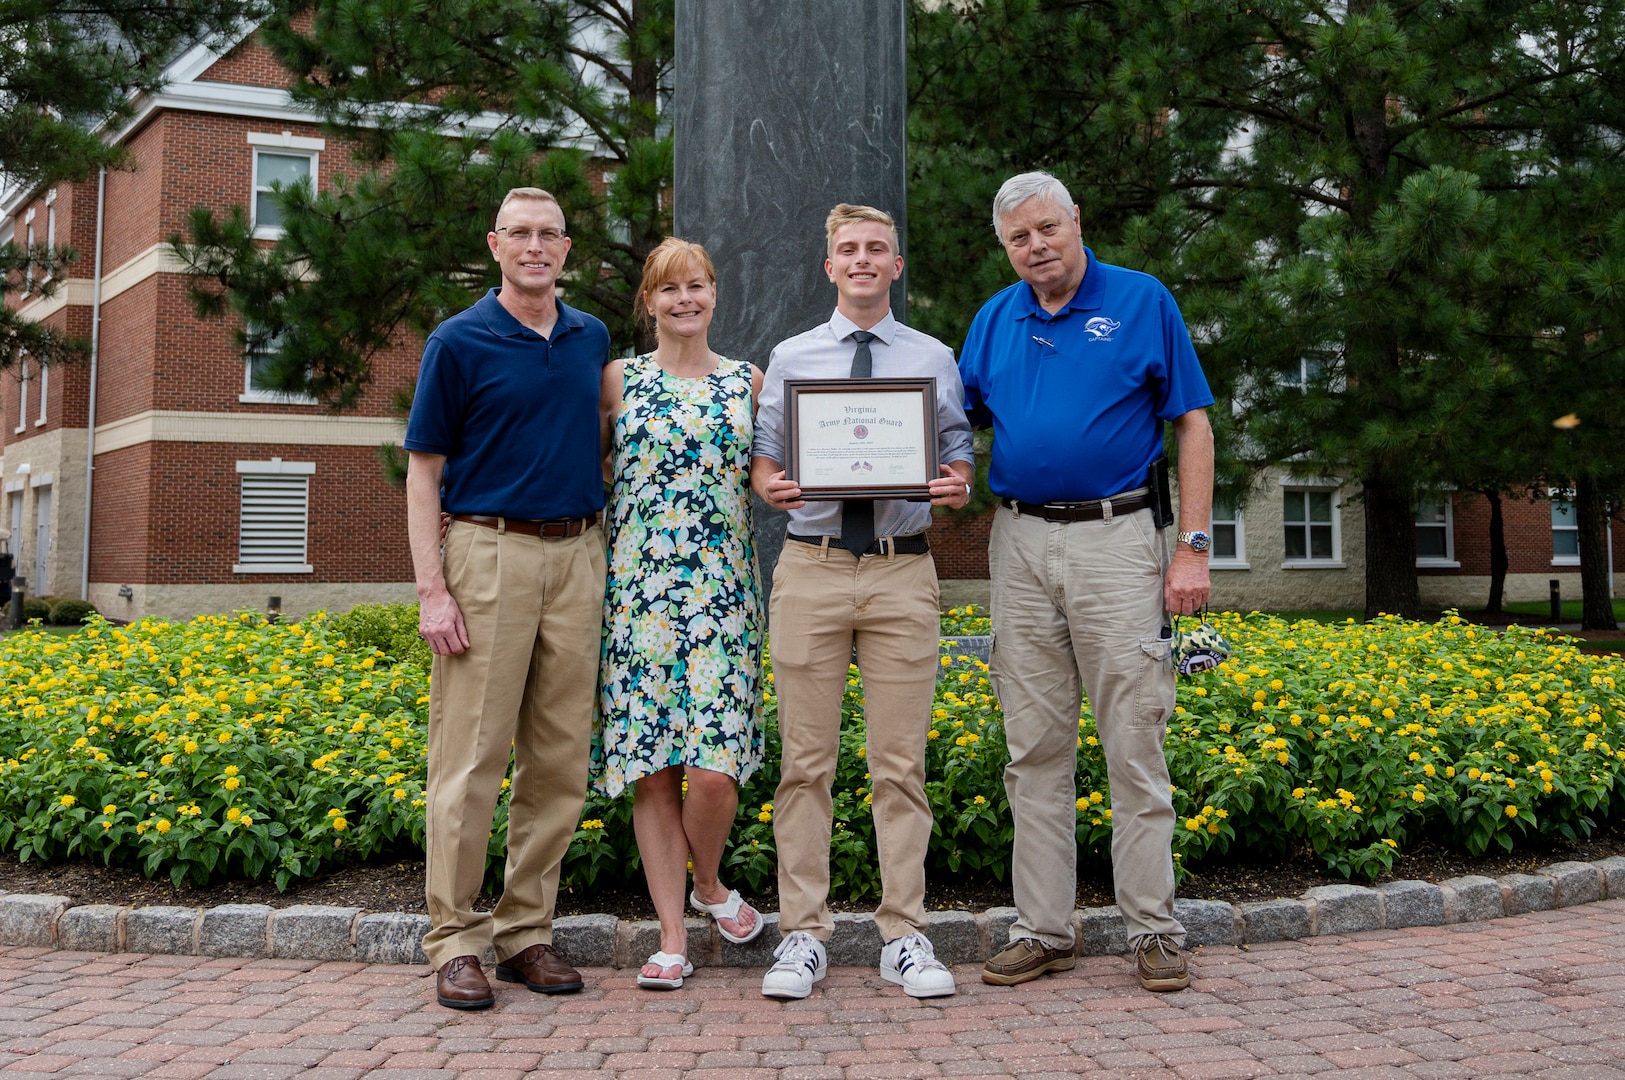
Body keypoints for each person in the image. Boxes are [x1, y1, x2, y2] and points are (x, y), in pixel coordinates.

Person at [960, 171, 1215, 993]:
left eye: (1045, 229)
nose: (1035, 247)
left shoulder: (1142, 301)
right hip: (1020, 542)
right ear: (1005, 249)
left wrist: (1194, 549)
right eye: (1017, 239)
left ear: (1076, 220)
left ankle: (1152, 927)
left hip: (1118, 541)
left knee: (1133, 739)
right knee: (1032, 748)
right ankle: (1044, 928)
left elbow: (1192, 425)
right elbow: (945, 424)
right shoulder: (995, 318)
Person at [752, 203, 975, 1000]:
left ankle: (903, 934)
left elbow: (955, 450)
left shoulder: (931, 356)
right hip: (809, 567)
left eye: (876, 248)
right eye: (847, 248)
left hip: (899, 569)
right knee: (803, 764)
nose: (861, 259)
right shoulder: (790, 355)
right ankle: (803, 936)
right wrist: (767, 483)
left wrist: (957, 484)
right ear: (829, 265)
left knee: (899, 766)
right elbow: (765, 454)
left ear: (895, 264)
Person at [404, 186, 611, 1010]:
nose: (536, 246)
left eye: (549, 234)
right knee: (470, 762)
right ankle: (455, 941)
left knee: (558, 761)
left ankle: (527, 932)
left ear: (565, 249)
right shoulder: (457, 342)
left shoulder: (590, 336)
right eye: (520, 233)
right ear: (495, 244)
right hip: (486, 553)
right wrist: (432, 589)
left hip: (578, 554)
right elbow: (424, 470)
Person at [593, 237, 767, 991]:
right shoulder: (617, 380)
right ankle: (671, 936)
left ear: (714, 294)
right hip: (638, 599)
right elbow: (580, 466)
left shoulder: (747, 382)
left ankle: (708, 885)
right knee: (654, 770)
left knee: (713, 770)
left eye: (696, 286)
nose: (684, 300)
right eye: (669, 290)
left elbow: (769, 477)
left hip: (723, 597)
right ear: (649, 301)